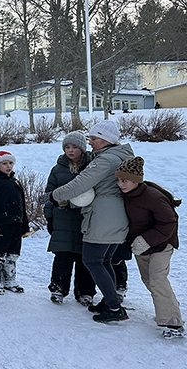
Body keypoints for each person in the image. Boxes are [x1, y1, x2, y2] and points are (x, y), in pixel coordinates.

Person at [46, 120, 134, 323]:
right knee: (104, 261)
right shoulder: (119, 155)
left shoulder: (105, 160)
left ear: (105, 139)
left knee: (92, 260)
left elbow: (80, 183)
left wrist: (54, 196)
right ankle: (110, 301)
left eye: (93, 138)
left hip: (103, 216)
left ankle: (114, 307)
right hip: (116, 216)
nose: (91, 142)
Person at [116, 156, 184, 338]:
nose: (120, 184)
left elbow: (169, 222)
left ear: (136, 180)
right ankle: (171, 310)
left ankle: (172, 323)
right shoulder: (126, 195)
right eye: (118, 180)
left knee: (157, 280)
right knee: (149, 281)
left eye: (125, 180)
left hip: (162, 245)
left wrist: (145, 240)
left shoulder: (153, 197)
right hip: (141, 248)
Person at [44, 131, 97, 306]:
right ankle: (58, 289)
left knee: (86, 258)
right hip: (62, 220)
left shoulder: (93, 168)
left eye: (74, 147)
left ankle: (85, 292)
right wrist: (49, 217)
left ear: (82, 148)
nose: (70, 150)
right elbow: (48, 195)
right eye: (67, 147)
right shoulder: (58, 169)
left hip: (86, 219)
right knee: (63, 257)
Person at [0, 151, 29, 295]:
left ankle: (10, 279)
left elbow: (22, 204)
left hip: (16, 223)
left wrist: (24, 224)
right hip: (1, 224)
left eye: (10, 163)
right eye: (4, 163)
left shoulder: (15, 182)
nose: (8, 166)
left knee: (13, 254)